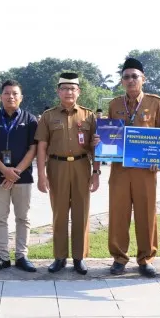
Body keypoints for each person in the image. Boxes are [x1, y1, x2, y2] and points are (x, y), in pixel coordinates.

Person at [106, 58, 160, 277]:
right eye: (126, 77)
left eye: (135, 76)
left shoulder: (154, 102)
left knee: (147, 212)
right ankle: (119, 258)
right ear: (122, 81)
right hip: (120, 169)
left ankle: (146, 258)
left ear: (143, 79)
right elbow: (109, 134)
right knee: (118, 213)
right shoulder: (114, 104)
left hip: (145, 170)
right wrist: (101, 143)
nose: (131, 80)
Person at [35, 72, 100, 275]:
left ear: (78, 92)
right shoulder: (48, 116)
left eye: (72, 88)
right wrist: (41, 175)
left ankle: (79, 258)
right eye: (64, 88)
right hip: (56, 166)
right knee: (59, 213)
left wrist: (96, 171)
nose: (68, 92)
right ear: (58, 91)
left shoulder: (89, 115)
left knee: (81, 213)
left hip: (82, 166)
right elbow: (42, 147)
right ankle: (60, 257)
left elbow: (96, 146)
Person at [0, 80, 38, 273]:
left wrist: (16, 172)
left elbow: (33, 149)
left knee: (23, 218)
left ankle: (22, 255)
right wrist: (5, 171)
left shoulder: (30, 120)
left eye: (15, 93)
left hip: (23, 177)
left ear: (21, 97)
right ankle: (2, 257)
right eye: (7, 93)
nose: (11, 97)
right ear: (1, 97)